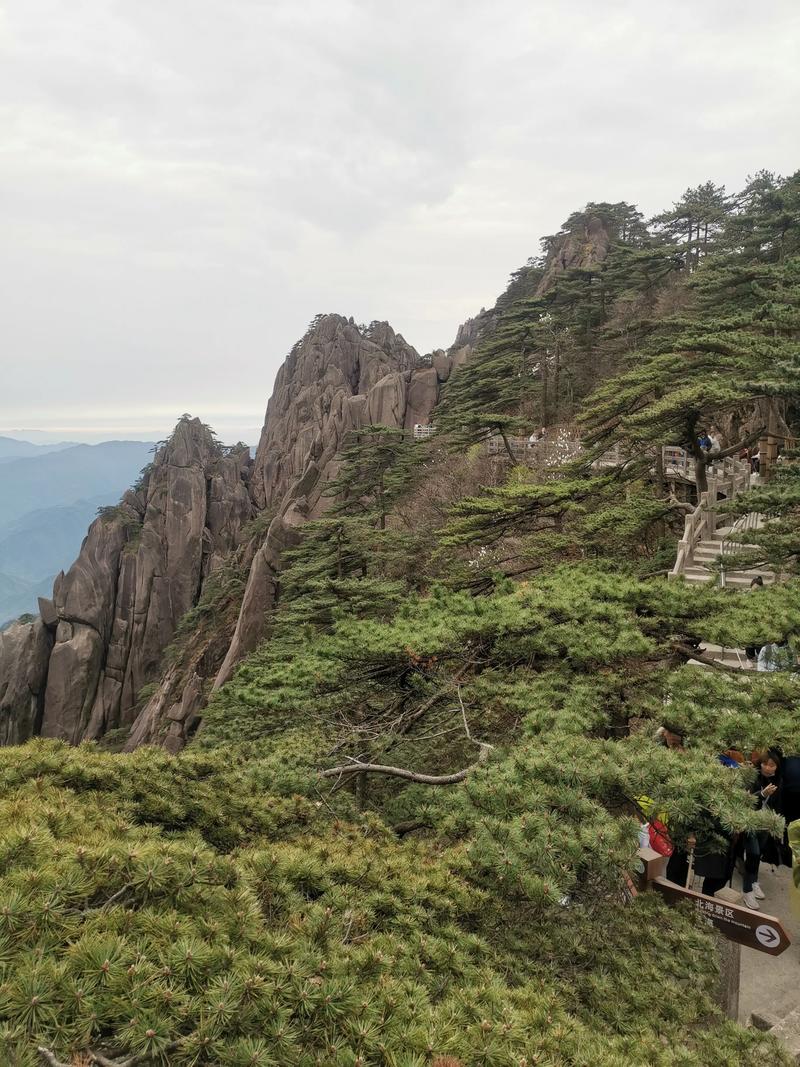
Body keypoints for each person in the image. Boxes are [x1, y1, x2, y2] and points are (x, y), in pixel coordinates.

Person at [742, 749, 783, 910]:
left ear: (776, 767)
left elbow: (779, 804)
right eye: (765, 764)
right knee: (753, 853)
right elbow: (747, 801)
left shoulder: (778, 780)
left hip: (766, 824)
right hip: (751, 822)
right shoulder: (753, 777)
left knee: (758, 854)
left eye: (772, 765)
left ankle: (753, 882)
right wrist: (763, 794)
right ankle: (747, 891)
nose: (768, 768)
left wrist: (778, 824)